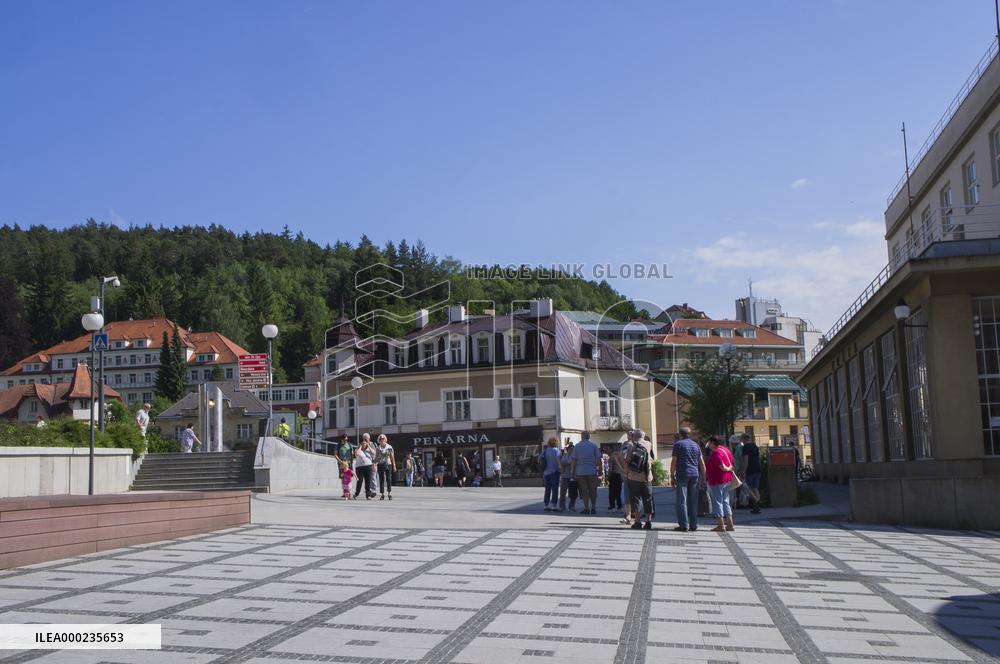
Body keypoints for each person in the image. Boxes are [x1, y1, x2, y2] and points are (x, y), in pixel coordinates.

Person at [671, 427, 706, 532]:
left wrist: (672, 475)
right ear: (689, 434)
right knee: (693, 501)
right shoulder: (696, 445)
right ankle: (694, 525)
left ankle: (684, 525)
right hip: (695, 474)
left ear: (680, 435)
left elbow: (674, 461)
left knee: (682, 501)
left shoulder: (678, 444)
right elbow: (702, 463)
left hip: (682, 474)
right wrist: (704, 478)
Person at [623, 428, 655, 530]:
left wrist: (626, 472)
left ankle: (637, 522)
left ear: (635, 436)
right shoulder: (649, 444)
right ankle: (648, 522)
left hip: (633, 477)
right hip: (647, 477)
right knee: (648, 498)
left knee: (635, 499)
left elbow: (627, 460)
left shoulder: (631, 445)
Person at [705, 436, 736, 532]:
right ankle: (730, 524)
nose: (708, 444)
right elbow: (732, 461)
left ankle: (721, 525)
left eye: (709, 442)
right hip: (727, 480)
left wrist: (728, 468)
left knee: (718, 502)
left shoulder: (717, 452)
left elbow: (722, 466)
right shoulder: (725, 450)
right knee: (726, 501)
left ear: (713, 442)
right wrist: (730, 468)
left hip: (718, 480)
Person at [571, 431, 601, 515]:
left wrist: (572, 471)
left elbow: (574, 460)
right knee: (593, 489)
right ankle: (593, 508)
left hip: (580, 471)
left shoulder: (577, 446)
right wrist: (600, 471)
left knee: (583, 490)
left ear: (582, 436)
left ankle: (586, 508)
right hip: (592, 470)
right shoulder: (593, 445)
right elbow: (599, 459)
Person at [740, 433, 762, 514]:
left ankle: (757, 501)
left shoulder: (745, 447)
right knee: (755, 488)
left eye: (741, 439)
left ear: (744, 439)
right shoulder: (754, 446)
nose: (740, 440)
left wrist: (743, 471)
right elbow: (758, 458)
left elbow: (746, 460)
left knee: (747, 487)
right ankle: (757, 507)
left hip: (750, 470)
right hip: (757, 469)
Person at [540, 437, 561, 511]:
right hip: (554, 472)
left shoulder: (545, 450)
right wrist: (560, 468)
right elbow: (558, 460)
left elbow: (539, 459)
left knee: (547, 489)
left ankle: (546, 504)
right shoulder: (556, 450)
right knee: (554, 489)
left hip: (546, 472)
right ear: (556, 443)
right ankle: (554, 505)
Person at [375, 434, 396, 500]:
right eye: (380, 439)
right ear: (379, 440)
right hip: (380, 464)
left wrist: (394, 466)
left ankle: (389, 494)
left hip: (388, 464)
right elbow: (377, 457)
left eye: (383, 438)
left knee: (389, 479)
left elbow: (392, 457)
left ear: (385, 439)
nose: (382, 440)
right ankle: (382, 494)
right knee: (381, 479)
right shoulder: (378, 448)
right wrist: (374, 462)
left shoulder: (389, 447)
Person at [608, 436, 625, 513]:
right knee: (618, 492)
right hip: (620, 475)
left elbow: (610, 468)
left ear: (611, 449)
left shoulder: (611, 457)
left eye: (607, 449)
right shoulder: (620, 456)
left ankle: (612, 506)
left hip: (614, 475)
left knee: (612, 492)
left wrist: (608, 476)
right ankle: (620, 506)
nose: (606, 450)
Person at [557, 441, 576, 512]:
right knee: (563, 492)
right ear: (568, 449)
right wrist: (567, 464)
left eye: (573, 449)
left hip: (573, 476)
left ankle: (572, 506)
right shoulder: (565, 455)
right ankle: (562, 506)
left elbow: (571, 464)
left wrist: (566, 464)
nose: (572, 450)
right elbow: (562, 463)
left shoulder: (575, 456)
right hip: (565, 476)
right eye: (570, 448)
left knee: (573, 493)